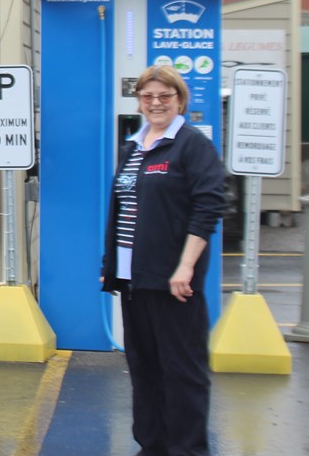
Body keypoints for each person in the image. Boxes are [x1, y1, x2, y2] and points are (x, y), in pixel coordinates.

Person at [100, 65, 226, 456]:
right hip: (133, 279)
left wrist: (186, 266)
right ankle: (152, 445)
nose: (155, 103)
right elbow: (123, 209)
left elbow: (208, 207)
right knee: (145, 368)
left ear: (179, 100)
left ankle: (187, 449)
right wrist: (110, 263)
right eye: (148, 96)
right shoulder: (133, 146)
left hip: (174, 281)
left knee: (182, 372)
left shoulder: (192, 145)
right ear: (138, 101)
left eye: (164, 96)